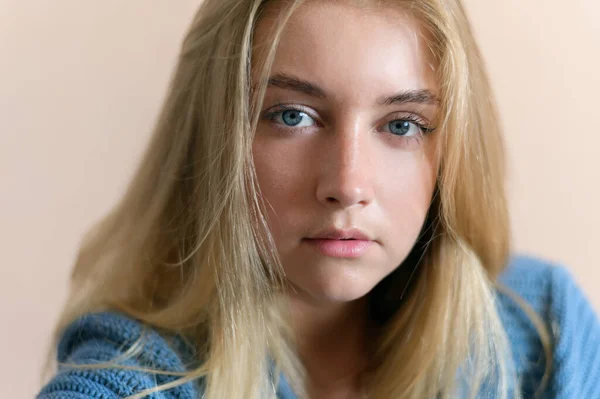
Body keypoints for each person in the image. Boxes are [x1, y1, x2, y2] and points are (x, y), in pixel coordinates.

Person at [37, 0, 600, 398]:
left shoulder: (543, 336)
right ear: (214, 136)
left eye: (402, 124)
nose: (348, 184)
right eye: (293, 116)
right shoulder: (134, 376)